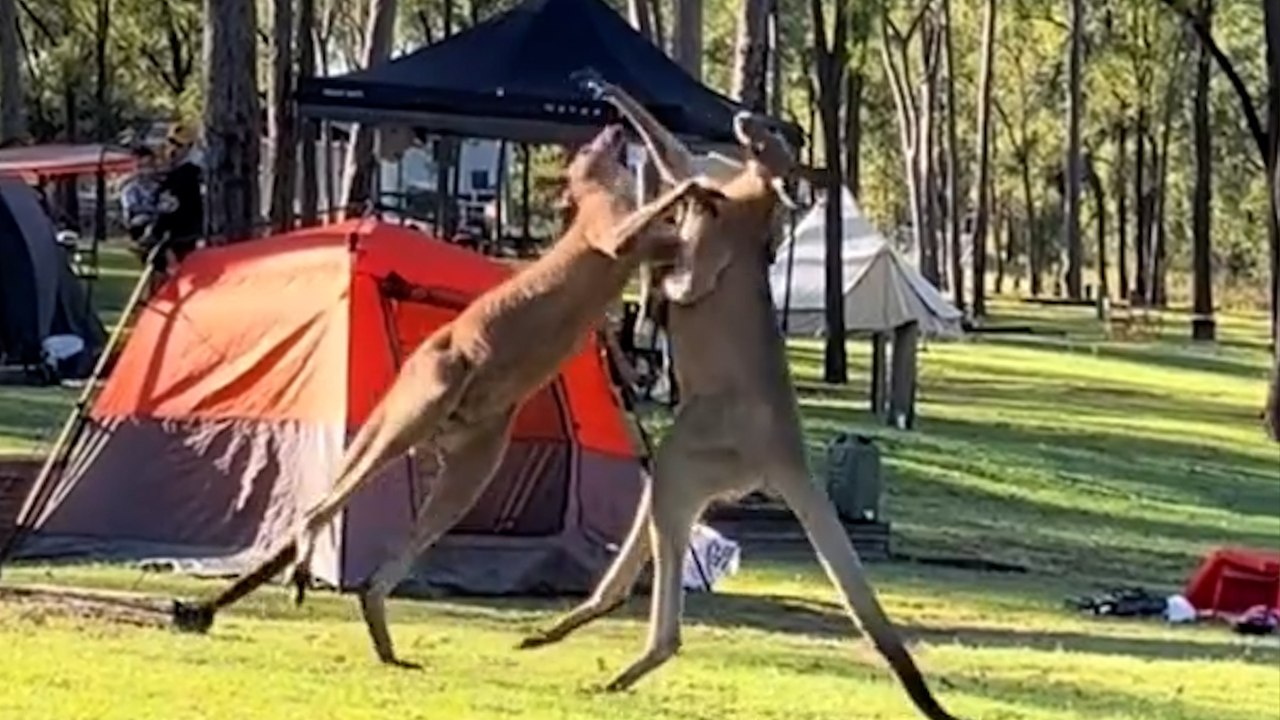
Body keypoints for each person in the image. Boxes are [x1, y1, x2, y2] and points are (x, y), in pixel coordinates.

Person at [150, 123, 204, 274]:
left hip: (180, 244)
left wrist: (156, 232)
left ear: (190, 147)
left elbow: (168, 210)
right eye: (170, 142)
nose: (172, 149)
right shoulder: (178, 174)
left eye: (179, 145)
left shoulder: (185, 176)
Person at [120, 145, 161, 246]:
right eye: (140, 167)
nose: (145, 171)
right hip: (139, 230)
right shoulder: (130, 190)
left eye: (149, 166)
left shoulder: (162, 187)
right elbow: (133, 209)